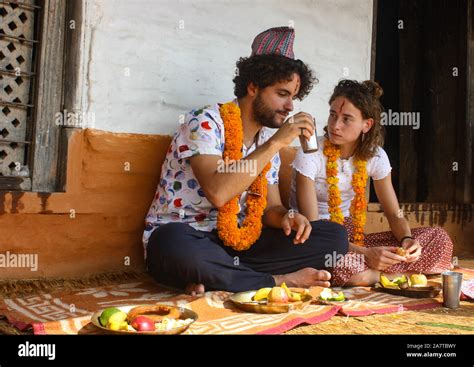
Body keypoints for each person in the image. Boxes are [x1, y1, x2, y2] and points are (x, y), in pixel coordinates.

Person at [143, 27, 348, 295]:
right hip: (189, 237)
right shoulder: (205, 122)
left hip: (241, 245)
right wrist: (276, 143)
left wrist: (288, 216)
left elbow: (269, 209)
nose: (290, 108)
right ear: (253, 87)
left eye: (293, 97)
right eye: (282, 94)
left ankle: (221, 277)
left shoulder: (267, 139)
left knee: (334, 237)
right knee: (172, 244)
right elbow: (218, 192)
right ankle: (274, 280)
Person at [290, 79, 454, 286]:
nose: (335, 125)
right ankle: (388, 276)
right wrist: (367, 254)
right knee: (340, 266)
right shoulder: (310, 154)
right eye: (333, 115)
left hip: (353, 235)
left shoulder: (375, 156)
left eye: (346, 119)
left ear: (366, 125)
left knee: (438, 238)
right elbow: (315, 230)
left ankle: (374, 273)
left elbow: (395, 214)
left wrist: (406, 241)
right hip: (318, 238)